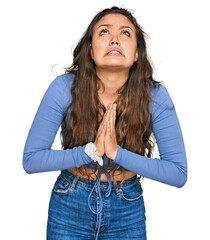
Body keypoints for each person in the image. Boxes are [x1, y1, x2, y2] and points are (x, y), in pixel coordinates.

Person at [22, 6, 187, 240]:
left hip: (127, 206)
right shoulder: (63, 87)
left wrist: (116, 153)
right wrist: (90, 152)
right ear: (90, 51)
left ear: (137, 53)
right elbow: (31, 160)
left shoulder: (155, 96)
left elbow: (178, 173)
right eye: (104, 32)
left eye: (125, 33)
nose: (115, 40)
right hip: (69, 204)